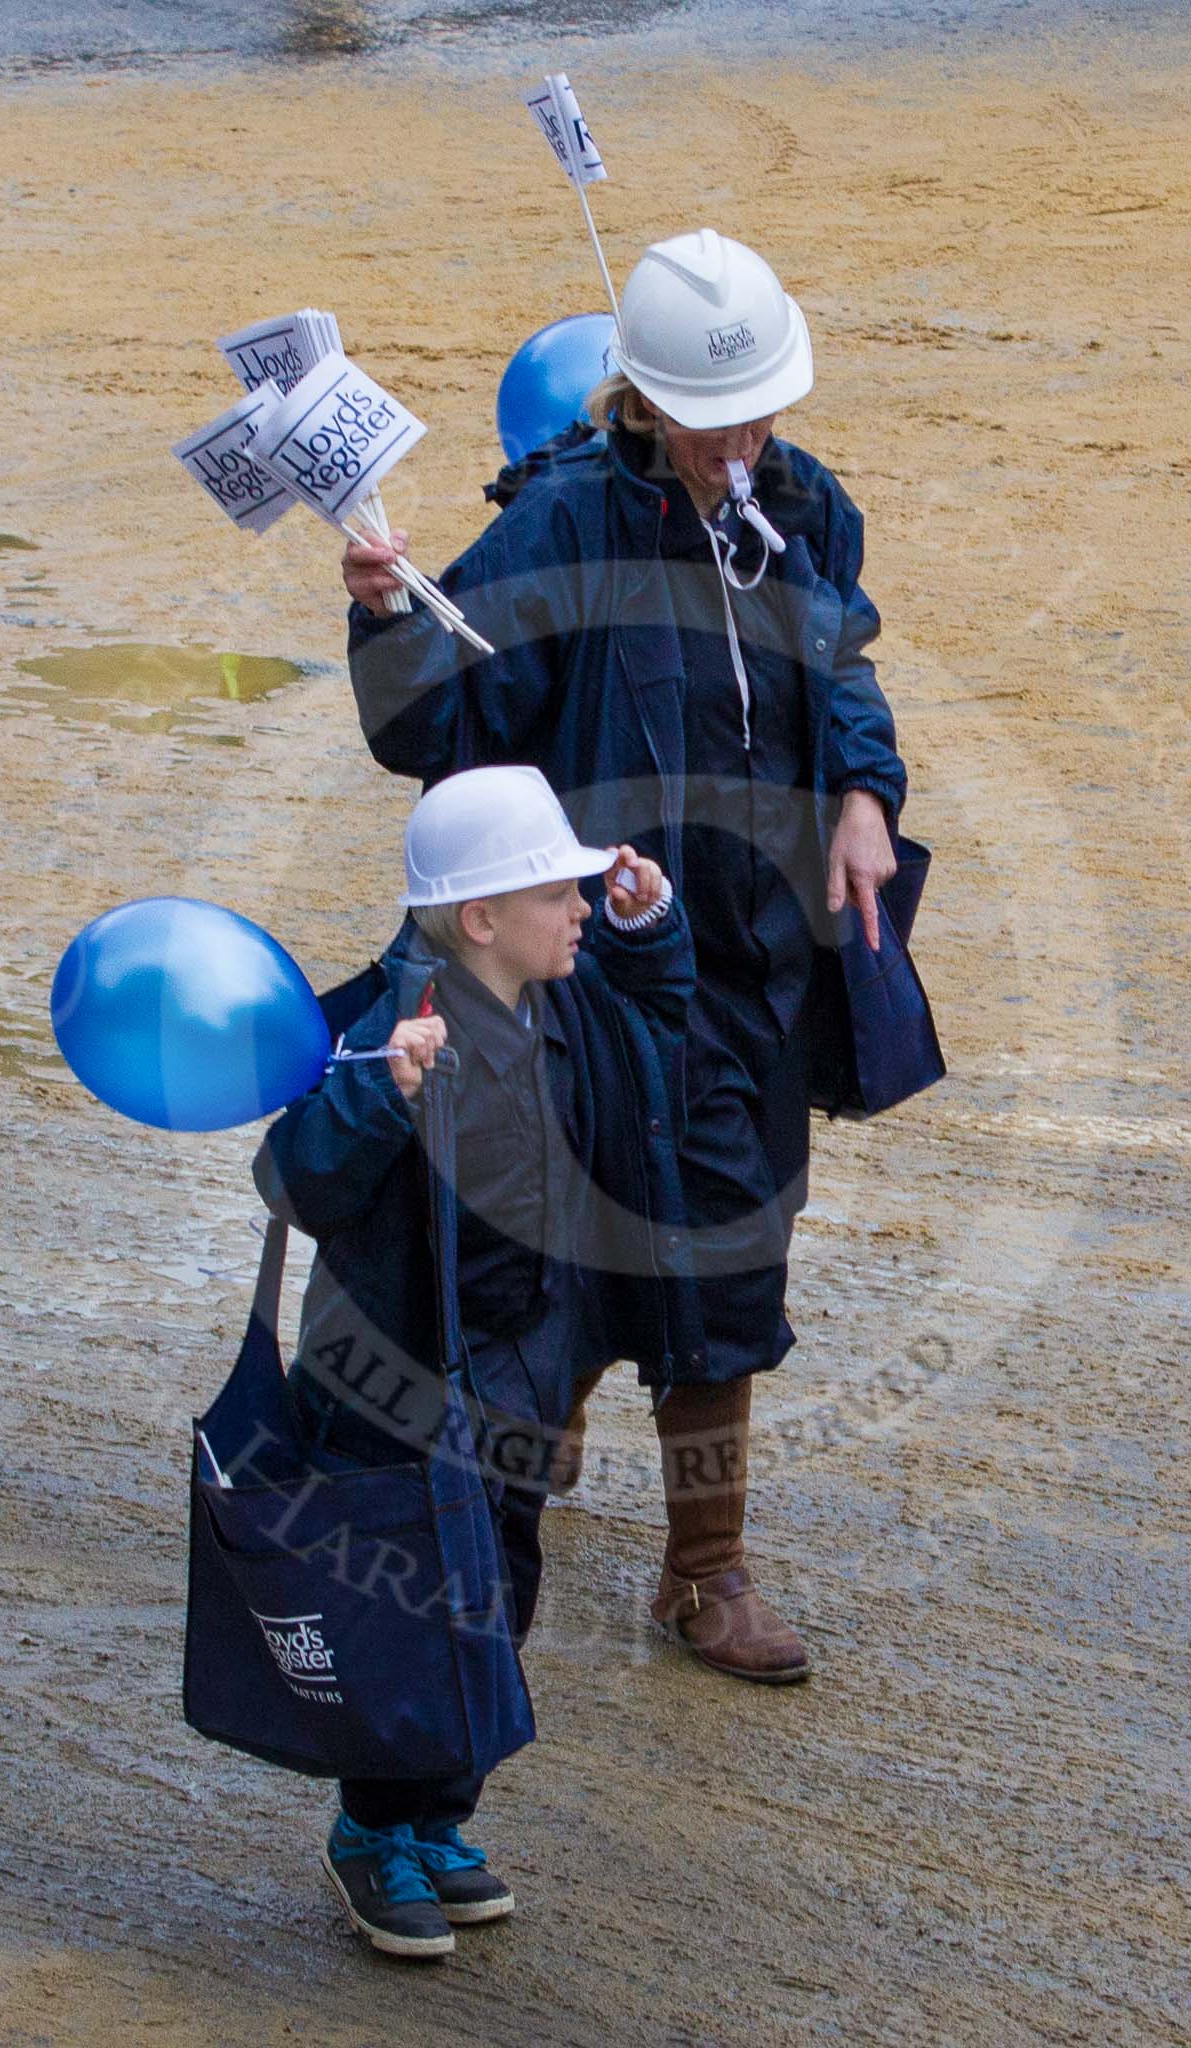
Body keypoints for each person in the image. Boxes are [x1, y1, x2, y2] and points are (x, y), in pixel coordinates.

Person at [341, 228, 936, 1685]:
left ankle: (703, 1569)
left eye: (763, 408)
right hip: (584, 975)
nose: (748, 436)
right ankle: (508, 1530)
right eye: (717, 413)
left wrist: (865, 797)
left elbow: (843, 667)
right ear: (642, 401)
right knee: (550, 1263)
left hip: (755, 966)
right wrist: (381, 621)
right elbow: (435, 732)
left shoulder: (806, 505)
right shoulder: (557, 526)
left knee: (730, 1260)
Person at [253, 764, 695, 1959]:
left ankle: (439, 1815)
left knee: (497, 1596)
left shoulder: (573, 1003)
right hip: (399, 1389)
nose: (583, 904)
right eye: (561, 889)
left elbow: (660, 1028)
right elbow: (292, 1178)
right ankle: (370, 1830)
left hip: (520, 1372)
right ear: (482, 917)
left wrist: (654, 930)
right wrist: (377, 1098)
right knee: (402, 1608)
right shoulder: (390, 1028)